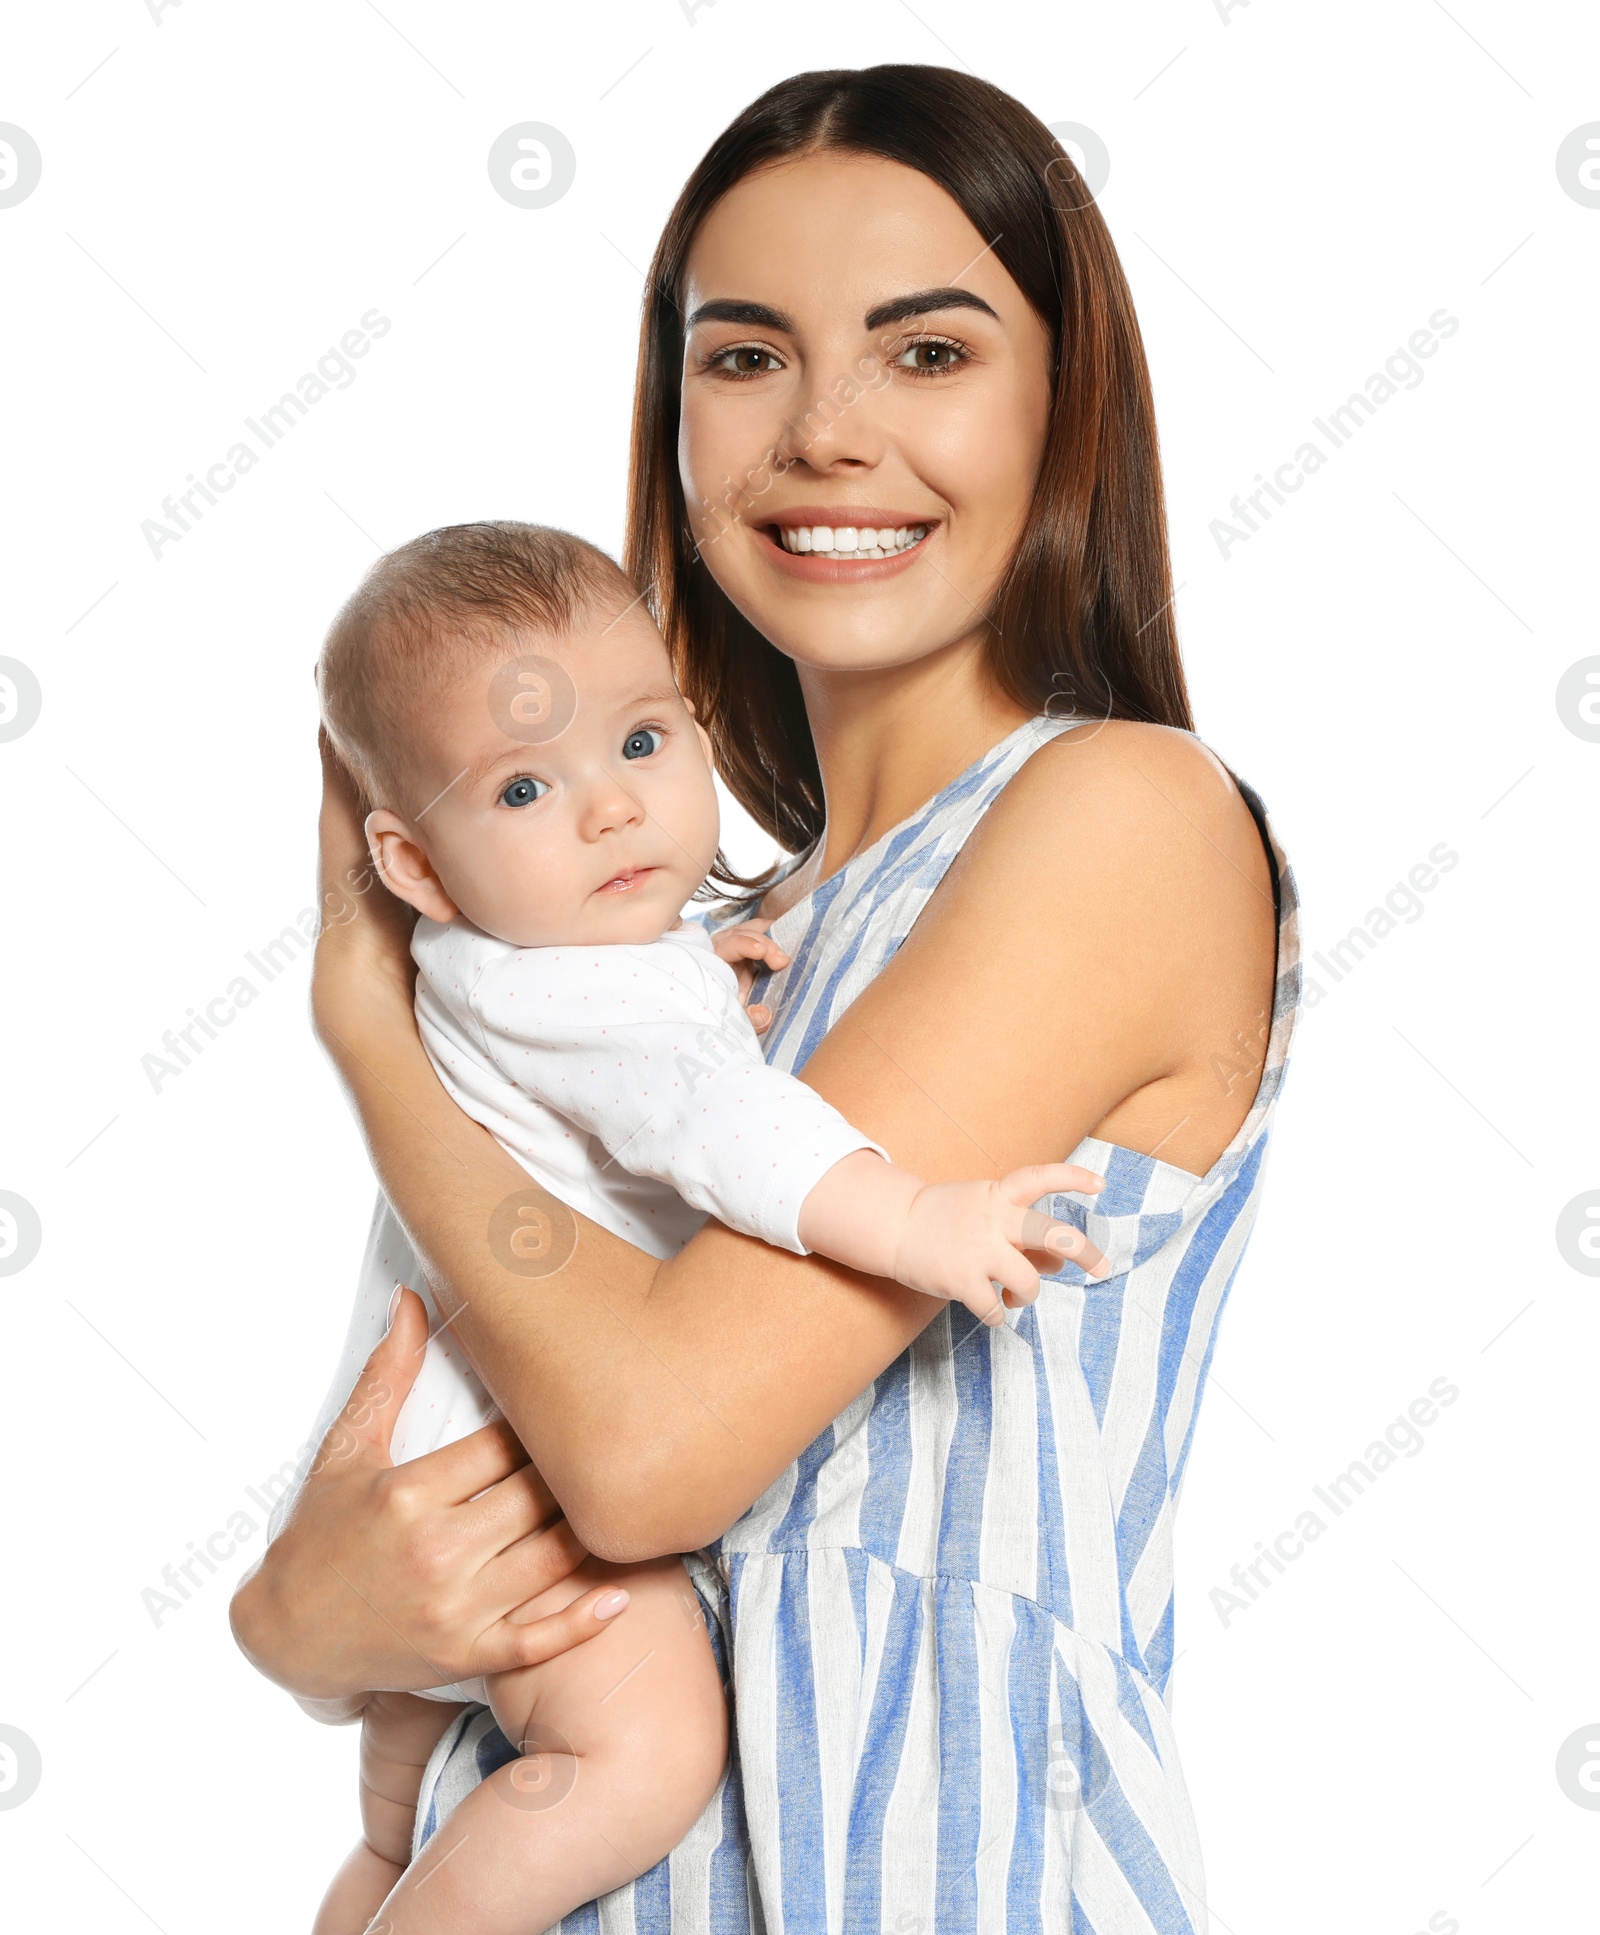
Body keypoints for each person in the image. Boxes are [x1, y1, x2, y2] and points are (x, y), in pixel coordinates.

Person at [233, 63, 1298, 1932]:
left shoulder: (1117, 817)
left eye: (927, 352)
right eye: (744, 359)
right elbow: (463, 1469)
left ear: (1066, 408)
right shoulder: (667, 954)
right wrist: (299, 1623)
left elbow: (640, 1459)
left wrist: (363, 1028)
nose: (823, 432)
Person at [290, 515, 1102, 1932]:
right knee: (644, 1751)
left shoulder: (516, 966)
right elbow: (727, 1130)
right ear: (413, 869)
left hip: (436, 1470)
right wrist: (911, 1216)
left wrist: (691, 963)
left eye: (646, 745)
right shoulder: (604, 1000)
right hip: (527, 1509)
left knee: (401, 1821)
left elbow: (616, 1068)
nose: (611, 809)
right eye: (528, 787)